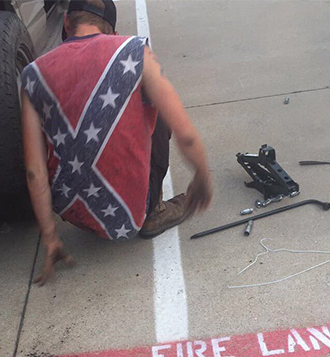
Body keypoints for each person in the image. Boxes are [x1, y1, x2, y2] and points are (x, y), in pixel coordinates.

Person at [21, 0, 213, 285]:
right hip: (128, 215)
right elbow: (184, 133)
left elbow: (34, 170)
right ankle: (154, 212)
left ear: (66, 24)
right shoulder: (133, 52)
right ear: (111, 30)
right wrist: (202, 175)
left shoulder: (32, 74)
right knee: (155, 108)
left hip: (73, 212)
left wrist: (50, 237)